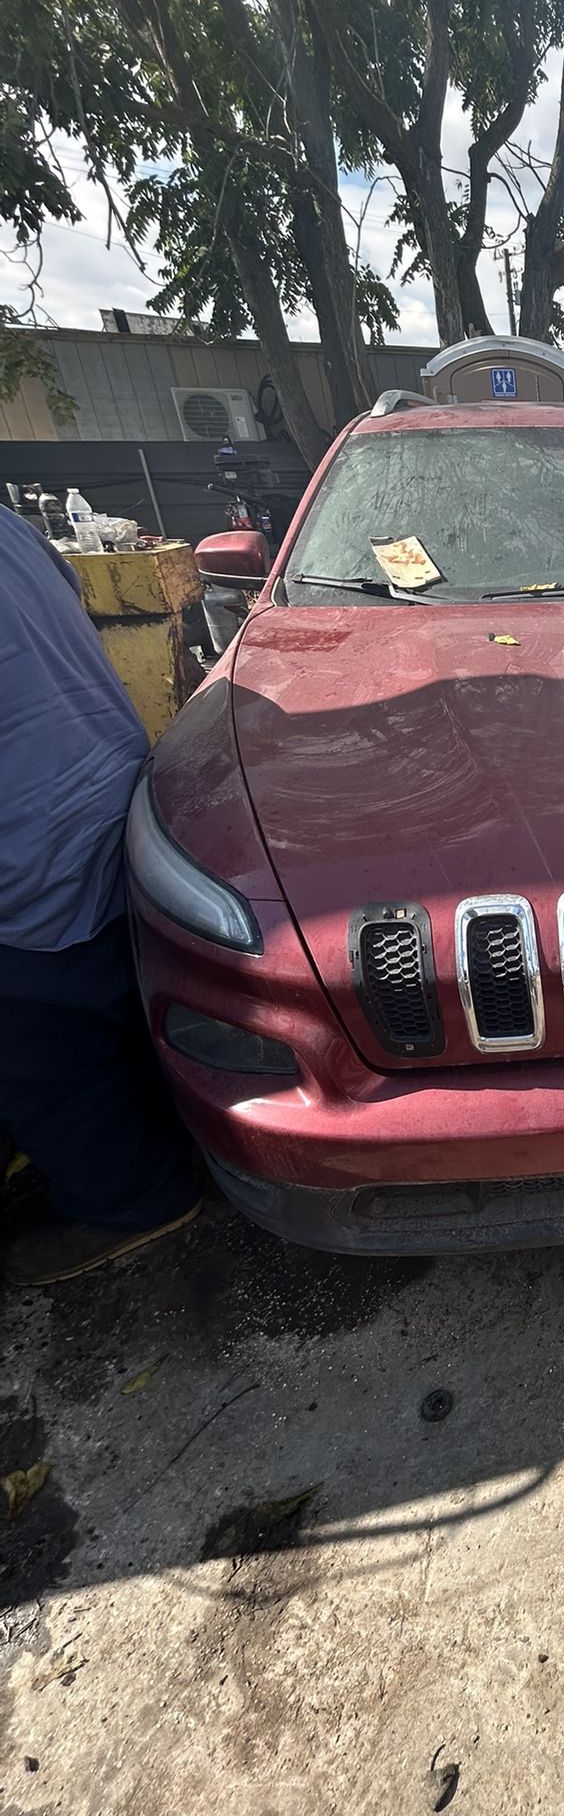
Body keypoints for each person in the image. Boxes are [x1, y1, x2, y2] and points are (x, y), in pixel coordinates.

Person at [1, 502, 198, 1286]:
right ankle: (167, 1129)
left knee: (46, 1053)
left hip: (27, 843)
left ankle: (132, 1201)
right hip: (108, 782)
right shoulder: (10, 528)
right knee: (119, 994)